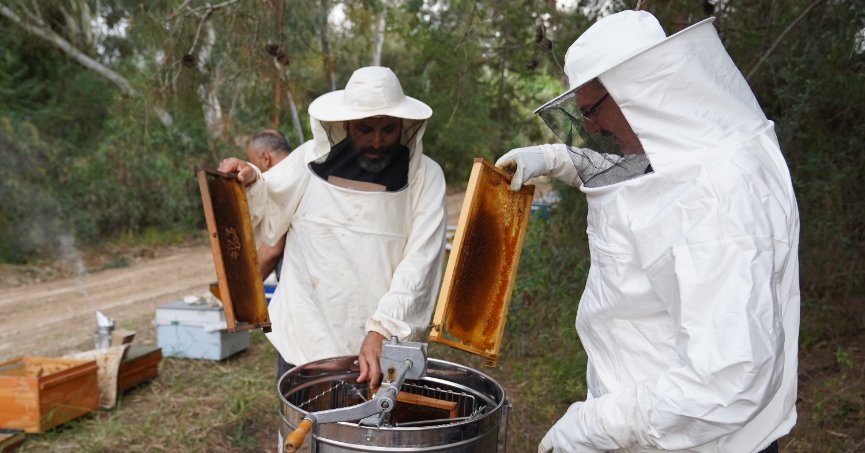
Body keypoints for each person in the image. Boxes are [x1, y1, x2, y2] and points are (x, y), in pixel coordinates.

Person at [496, 11, 799, 453]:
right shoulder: (695, 151)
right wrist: (556, 158)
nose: (592, 127)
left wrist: (590, 427)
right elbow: (644, 181)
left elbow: (727, 380)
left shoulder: (717, 200)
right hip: (654, 428)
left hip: (694, 441)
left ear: (639, 91)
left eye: (592, 111)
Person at [218, 66, 447, 388]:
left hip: (380, 346)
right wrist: (251, 178)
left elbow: (421, 262)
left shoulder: (426, 176)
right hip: (305, 335)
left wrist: (382, 328)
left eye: (388, 129)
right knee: (300, 432)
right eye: (366, 129)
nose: (378, 141)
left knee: (368, 435)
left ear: (404, 126)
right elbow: (268, 212)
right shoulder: (306, 161)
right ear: (346, 124)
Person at [244, 129, 292, 280]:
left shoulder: (280, 183)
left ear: (266, 158)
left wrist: (242, 288)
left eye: (253, 162)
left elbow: (272, 250)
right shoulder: (309, 170)